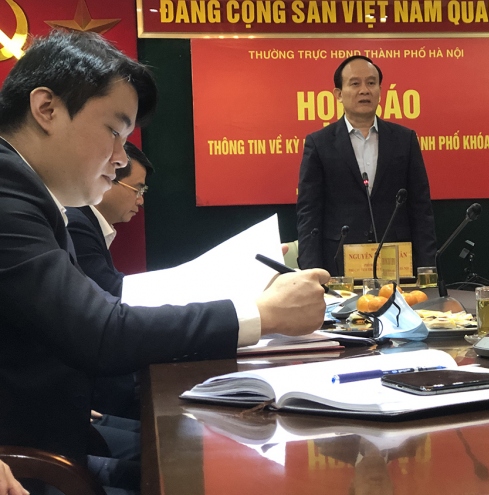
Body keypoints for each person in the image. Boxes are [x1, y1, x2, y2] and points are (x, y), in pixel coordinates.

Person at [0, 29, 329, 477]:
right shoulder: (8, 194)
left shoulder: (29, 192)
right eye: (114, 132)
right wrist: (262, 315)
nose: (121, 158)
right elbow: (100, 332)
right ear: (47, 108)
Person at [297, 55, 437, 276]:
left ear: (380, 91)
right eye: (355, 83)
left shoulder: (404, 139)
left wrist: (427, 268)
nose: (364, 90)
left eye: (371, 83)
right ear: (338, 94)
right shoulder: (319, 143)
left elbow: (421, 209)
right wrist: (310, 272)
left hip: (396, 261)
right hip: (339, 263)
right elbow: (309, 213)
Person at [67, 142, 152, 299]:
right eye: (137, 190)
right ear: (108, 177)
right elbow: (113, 292)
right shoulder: (77, 225)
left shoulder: (88, 222)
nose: (140, 201)